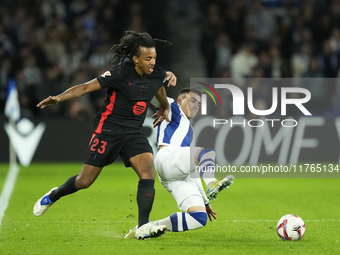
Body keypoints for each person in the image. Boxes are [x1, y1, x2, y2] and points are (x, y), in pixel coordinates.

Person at [33, 31, 177, 240]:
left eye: (154, 57)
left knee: (147, 169)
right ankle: (54, 195)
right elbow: (85, 87)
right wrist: (59, 98)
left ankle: (143, 225)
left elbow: (159, 89)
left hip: (133, 132)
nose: (152, 62)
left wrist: (164, 107)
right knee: (84, 181)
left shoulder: (157, 74)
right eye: (148, 59)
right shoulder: (120, 73)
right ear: (135, 59)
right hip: (108, 130)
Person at [125, 87, 234, 238]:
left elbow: (194, 170)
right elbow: (153, 92)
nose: (196, 105)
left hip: (178, 175)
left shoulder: (191, 133)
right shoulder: (171, 107)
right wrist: (162, 76)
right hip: (168, 157)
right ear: (180, 101)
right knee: (207, 153)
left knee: (199, 218)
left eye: (199, 104)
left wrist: (205, 202)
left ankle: (146, 227)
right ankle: (212, 183)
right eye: (193, 101)